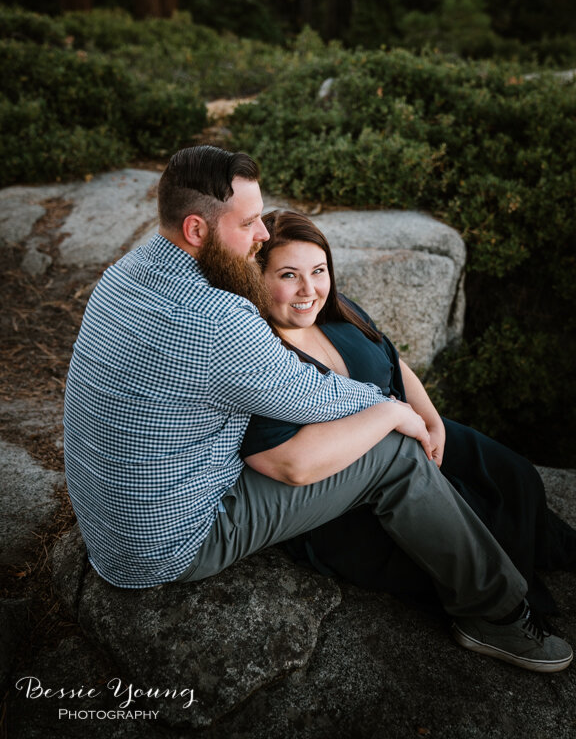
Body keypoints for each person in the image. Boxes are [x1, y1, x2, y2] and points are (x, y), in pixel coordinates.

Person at [64, 145, 572, 674]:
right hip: (172, 540)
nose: (262, 234)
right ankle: (495, 615)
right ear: (195, 229)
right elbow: (311, 394)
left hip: (110, 524)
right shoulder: (217, 315)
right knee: (394, 451)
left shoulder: (128, 269)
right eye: (249, 222)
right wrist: (393, 409)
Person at [240, 210, 576, 625]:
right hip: (350, 484)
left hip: (405, 427)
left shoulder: (337, 310)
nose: (309, 289)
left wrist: (431, 420)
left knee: (515, 476)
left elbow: (393, 362)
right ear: (257, 277)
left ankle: (551, 548)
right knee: (470, 513)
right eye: (289, 275)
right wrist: (398, 422)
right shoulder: (258, 354)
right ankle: (514, 609)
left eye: (319, 270)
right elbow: (286, 461)